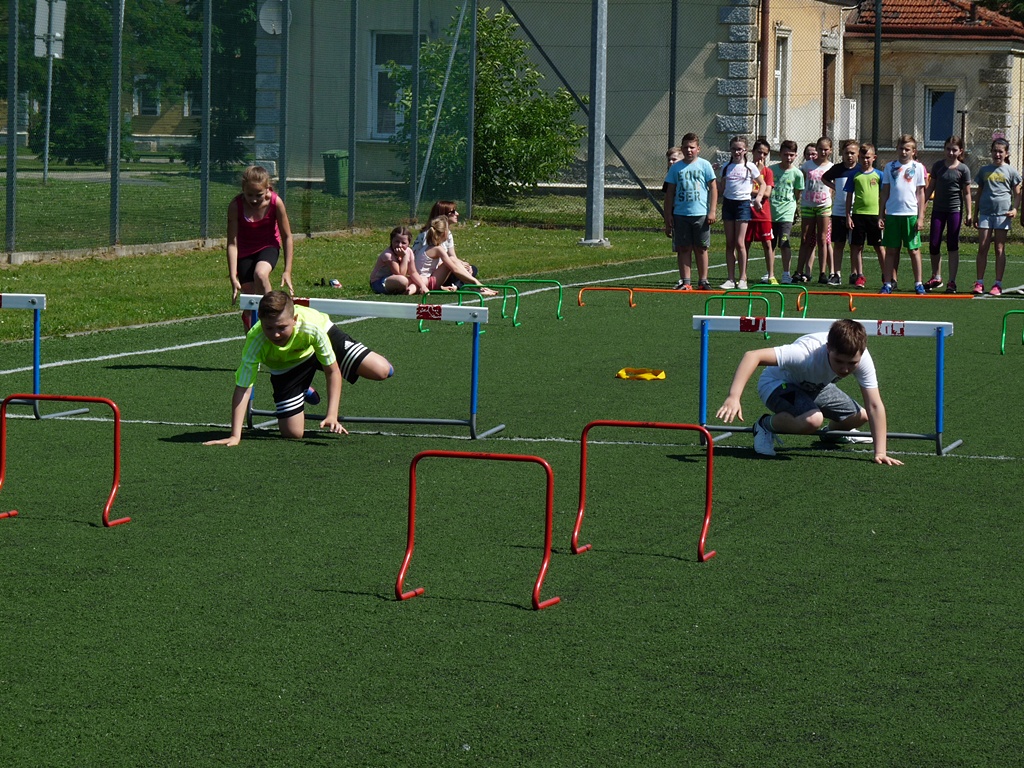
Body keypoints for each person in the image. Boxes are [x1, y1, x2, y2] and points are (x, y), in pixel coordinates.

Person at [204, 291, 393, 446]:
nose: (275, 334)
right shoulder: (256, 340)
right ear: (260, 322)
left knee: (382, 370)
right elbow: (244, 387)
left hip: (321, 342)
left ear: (294, 319)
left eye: (281, 327)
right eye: (269, 328)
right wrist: (235, 435)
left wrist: (332, 414)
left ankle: (366, 360)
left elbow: (332, 371)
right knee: (293, 433)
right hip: (287, 365)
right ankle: (303, 388)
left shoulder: (312, 327)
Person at [714, 318, 902, 465]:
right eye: (839, 361)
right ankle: (764, 425)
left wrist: (880, 452)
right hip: (778, 385)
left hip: (815, 387)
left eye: (852, 363)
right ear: (828, 348)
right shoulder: (804, 353)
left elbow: (874, 405)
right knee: (813, 420)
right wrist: (734, 396)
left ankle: (832, 434)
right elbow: (752, 356)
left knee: (861, 416)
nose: (845, 369)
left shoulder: (862, 358)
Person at [226, 165, 294, 330]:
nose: (254, 200)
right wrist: (233, 276)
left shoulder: (275, 202)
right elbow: (232, 243)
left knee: (260, 274)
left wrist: (287, 271)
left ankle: (273, 318)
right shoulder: (236, 206)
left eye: (259, 195)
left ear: (268, 188)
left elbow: (287, 237)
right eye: (249, 195)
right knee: (250, 300)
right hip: (244, 252)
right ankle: (251, 338)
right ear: (243, 189)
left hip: (268, 246)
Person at [663, 132, 718, 291]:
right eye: (686, 147)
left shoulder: (704, 165)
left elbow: (713, 188)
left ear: (698, 149)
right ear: (682, 148)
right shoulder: (676, 168)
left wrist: (712, 211)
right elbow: (669, 193)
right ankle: (685, 281)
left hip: (700, 214)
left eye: (692, 147)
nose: (689, 150)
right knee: (684, 248)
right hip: (681, 214)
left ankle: (703, 280)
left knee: (701, 248)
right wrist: (668, 216)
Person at [878, 134, 927, 295]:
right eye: (901, 148)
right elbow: (885, 192)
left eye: (907, 149)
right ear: (897, 149)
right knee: (891, 250)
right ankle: (887, 283)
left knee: (914, 250)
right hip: (893, 214)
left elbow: (921, 193)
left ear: (914, 151)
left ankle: (918, 283)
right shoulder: (889, 167)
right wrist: (881, 214)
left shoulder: (918, 167)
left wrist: (920, 217)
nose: (904, 152)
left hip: (910, 214)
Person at [973, 137, 1022, 296]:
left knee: (999, 248)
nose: (997, 154)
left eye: (1000, 151)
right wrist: (975, 214)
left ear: (1006, 153)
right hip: (986, 214)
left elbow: (1017, 194)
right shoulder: (984, 170)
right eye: (995, 151)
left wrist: (1015, 209)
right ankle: (979, 282)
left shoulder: (1011, 171)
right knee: (983, 247)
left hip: (1003, 215)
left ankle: (997, 284)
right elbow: (979, 193)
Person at [923, 136, 973, 294]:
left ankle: (952, 281)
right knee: (934, 243)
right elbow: (930, 188)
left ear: (960, 151)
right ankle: (936, 277)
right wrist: (921, 208)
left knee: (952, 244)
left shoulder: (963, 169)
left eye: (954, 150)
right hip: (938, 210)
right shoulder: (938, 166)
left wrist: (969, 213)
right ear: (944, 149)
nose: (951, 153)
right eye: (948, 149)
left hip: (954, 211)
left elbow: (967, 193)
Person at [717, 136, 763, 289]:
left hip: (743, 204)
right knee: (729, 243)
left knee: (739, 242)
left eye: (739, 149)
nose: (737, 152)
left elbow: (762, 184)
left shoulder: (750, 166)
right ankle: (730, 279)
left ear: (745, 150)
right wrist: (711, 176)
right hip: (728, 204)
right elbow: (721, 188)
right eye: (734, 149)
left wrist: (758, 199)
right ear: (730, 150)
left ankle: (743, 278)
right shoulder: (726, 167)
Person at [844, 143, 886, 289]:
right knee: (857, 246)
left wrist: (882, 215)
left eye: (868, 157)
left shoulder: (879, 175)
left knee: (879, 247)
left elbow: (883, 196)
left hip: (874, 216)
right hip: (858, 215)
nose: (865, 160)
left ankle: (886, 275)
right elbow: (849, 196)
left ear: (874, 157)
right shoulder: (854, 175)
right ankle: (860, 275)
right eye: (862, 157)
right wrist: (848, 215)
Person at [420, 217, 497, 295]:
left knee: (454, 260)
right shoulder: (438, 249)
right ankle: (478, 288)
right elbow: (455, 269)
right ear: (445, 233)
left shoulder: (428, 247)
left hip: (425, 281)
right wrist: (475, 281)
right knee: (452, 260)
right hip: (427, 283)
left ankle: (477, 288)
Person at [794, 137, 834, 284]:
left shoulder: (831, 167)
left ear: (830, 150)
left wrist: (830, 197)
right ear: (816, 149)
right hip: (807, 204)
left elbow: (833, 185)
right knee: (805, 238)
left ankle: (822, 273)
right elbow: (800, 183)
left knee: (822, 239)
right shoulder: (807, 166)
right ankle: (799, 271)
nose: (823, 152)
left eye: (826, 149)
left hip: (823, 206)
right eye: (820, 149)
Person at [412, 201, 477, 288]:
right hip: (430, 274)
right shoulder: (429, 234)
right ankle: (471, 286)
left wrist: (462, 264)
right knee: (459, 270)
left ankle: (456, 286)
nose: (457, 214)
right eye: (453, 212)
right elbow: (428, 263)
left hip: (443, 268)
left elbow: (452, 256)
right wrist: (458, 265)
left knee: (472, 269)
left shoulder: (447, 233)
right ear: (443, 215)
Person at [822, 139, 860, 286]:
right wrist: (835, 187)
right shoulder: (837, 169)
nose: (849, 156)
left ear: (857, 154)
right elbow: (824, 178)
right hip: (838, 212)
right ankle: (836, 274)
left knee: (855, 245)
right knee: (839, 244)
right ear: (842, 154)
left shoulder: (860, 169)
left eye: (852, 153)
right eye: (846, 153)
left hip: (856, 212)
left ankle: (854, 273)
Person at [768, 139, 804, 284]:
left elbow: (797, 194)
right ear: (780, 154)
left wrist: (793, 209)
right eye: (785, 154)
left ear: (795, 155)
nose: (788, 158)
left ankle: (786, 274)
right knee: (770, 244)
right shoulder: (771, 170)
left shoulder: (797, 174)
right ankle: (770, 274)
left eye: (791, 155)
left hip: (786, 213)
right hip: (771, 212)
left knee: (784, 242)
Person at [748, 138, 777, 284]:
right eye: (759, 152)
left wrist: (750, 190)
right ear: (753, 152)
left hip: (763, 214)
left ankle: (771, 275)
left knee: (767, 244)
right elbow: (741, 188)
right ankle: (742, 275)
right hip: (746, 212)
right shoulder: (746, 169)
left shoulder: (768, 172)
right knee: (744, 244)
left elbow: (766, 193)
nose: (761, 156)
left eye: (765, 154)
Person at [370, 226, 429, 295]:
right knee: (403, 281)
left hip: (399, 279)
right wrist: (404, 257)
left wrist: (423, 286)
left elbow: (413, 272)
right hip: (380, 282)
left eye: (403, 243)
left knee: (424, 279)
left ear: (408, 243)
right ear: (391, 241)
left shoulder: (409, 251)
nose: (399, 245)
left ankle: (409, 291)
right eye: (396, 241)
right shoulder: (388, 255)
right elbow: (400, 274)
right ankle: (409, 288)